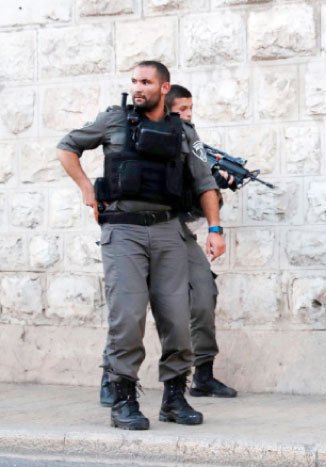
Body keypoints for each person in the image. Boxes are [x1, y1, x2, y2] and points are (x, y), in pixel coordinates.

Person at [57, 61, 225, 430]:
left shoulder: (183, 131)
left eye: (146, 82)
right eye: (134, 81)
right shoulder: (114, 120)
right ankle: (123, 398)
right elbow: (67, 146)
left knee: (178, 320)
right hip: (123, 231)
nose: (138, 87)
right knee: (128, 318)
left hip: (168, 231)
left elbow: (205, 182)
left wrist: (215, 228)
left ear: (164, 88)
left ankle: (174, 398)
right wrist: (86, 187)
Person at [98, 84, 238, 406]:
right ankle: (112, 375)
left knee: (203, 293)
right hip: (135, 230)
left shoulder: (190, 138)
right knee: (128, 307)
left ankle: (202, 372)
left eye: (191, 109)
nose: (188, 115)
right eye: (182, 109)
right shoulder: (139, 134)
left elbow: (200, 195)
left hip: (176, 231)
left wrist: (216, 187)